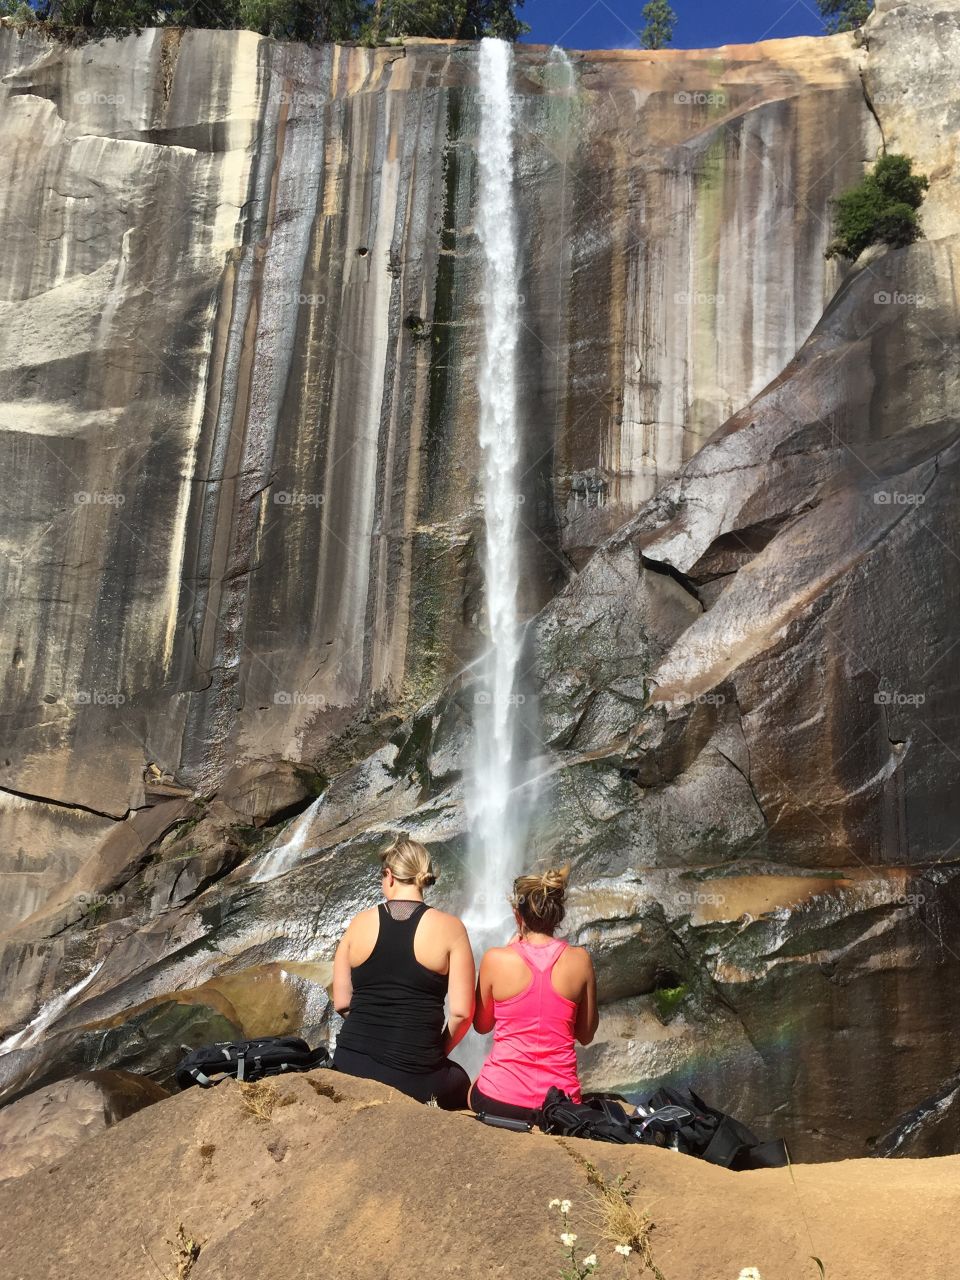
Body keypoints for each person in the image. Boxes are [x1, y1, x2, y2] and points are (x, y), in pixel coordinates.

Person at [332, 834, 474, 1109]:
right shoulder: (451, 928)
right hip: (415, 1076)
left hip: (350, 1065)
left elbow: (342, 1002)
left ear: (390, 876)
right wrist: (433, 1053)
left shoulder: (358, 924)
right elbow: (462, 1013)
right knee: (463, 1083)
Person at [470, 865, 598, 1124]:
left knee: (473, 1089)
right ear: (557, 913)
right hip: (560, 1106)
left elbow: (482, 1025)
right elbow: (585, 1034)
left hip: (499, 1100)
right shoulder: (580, 960)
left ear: (519, 916)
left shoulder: (495, 959)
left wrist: (508, 952)